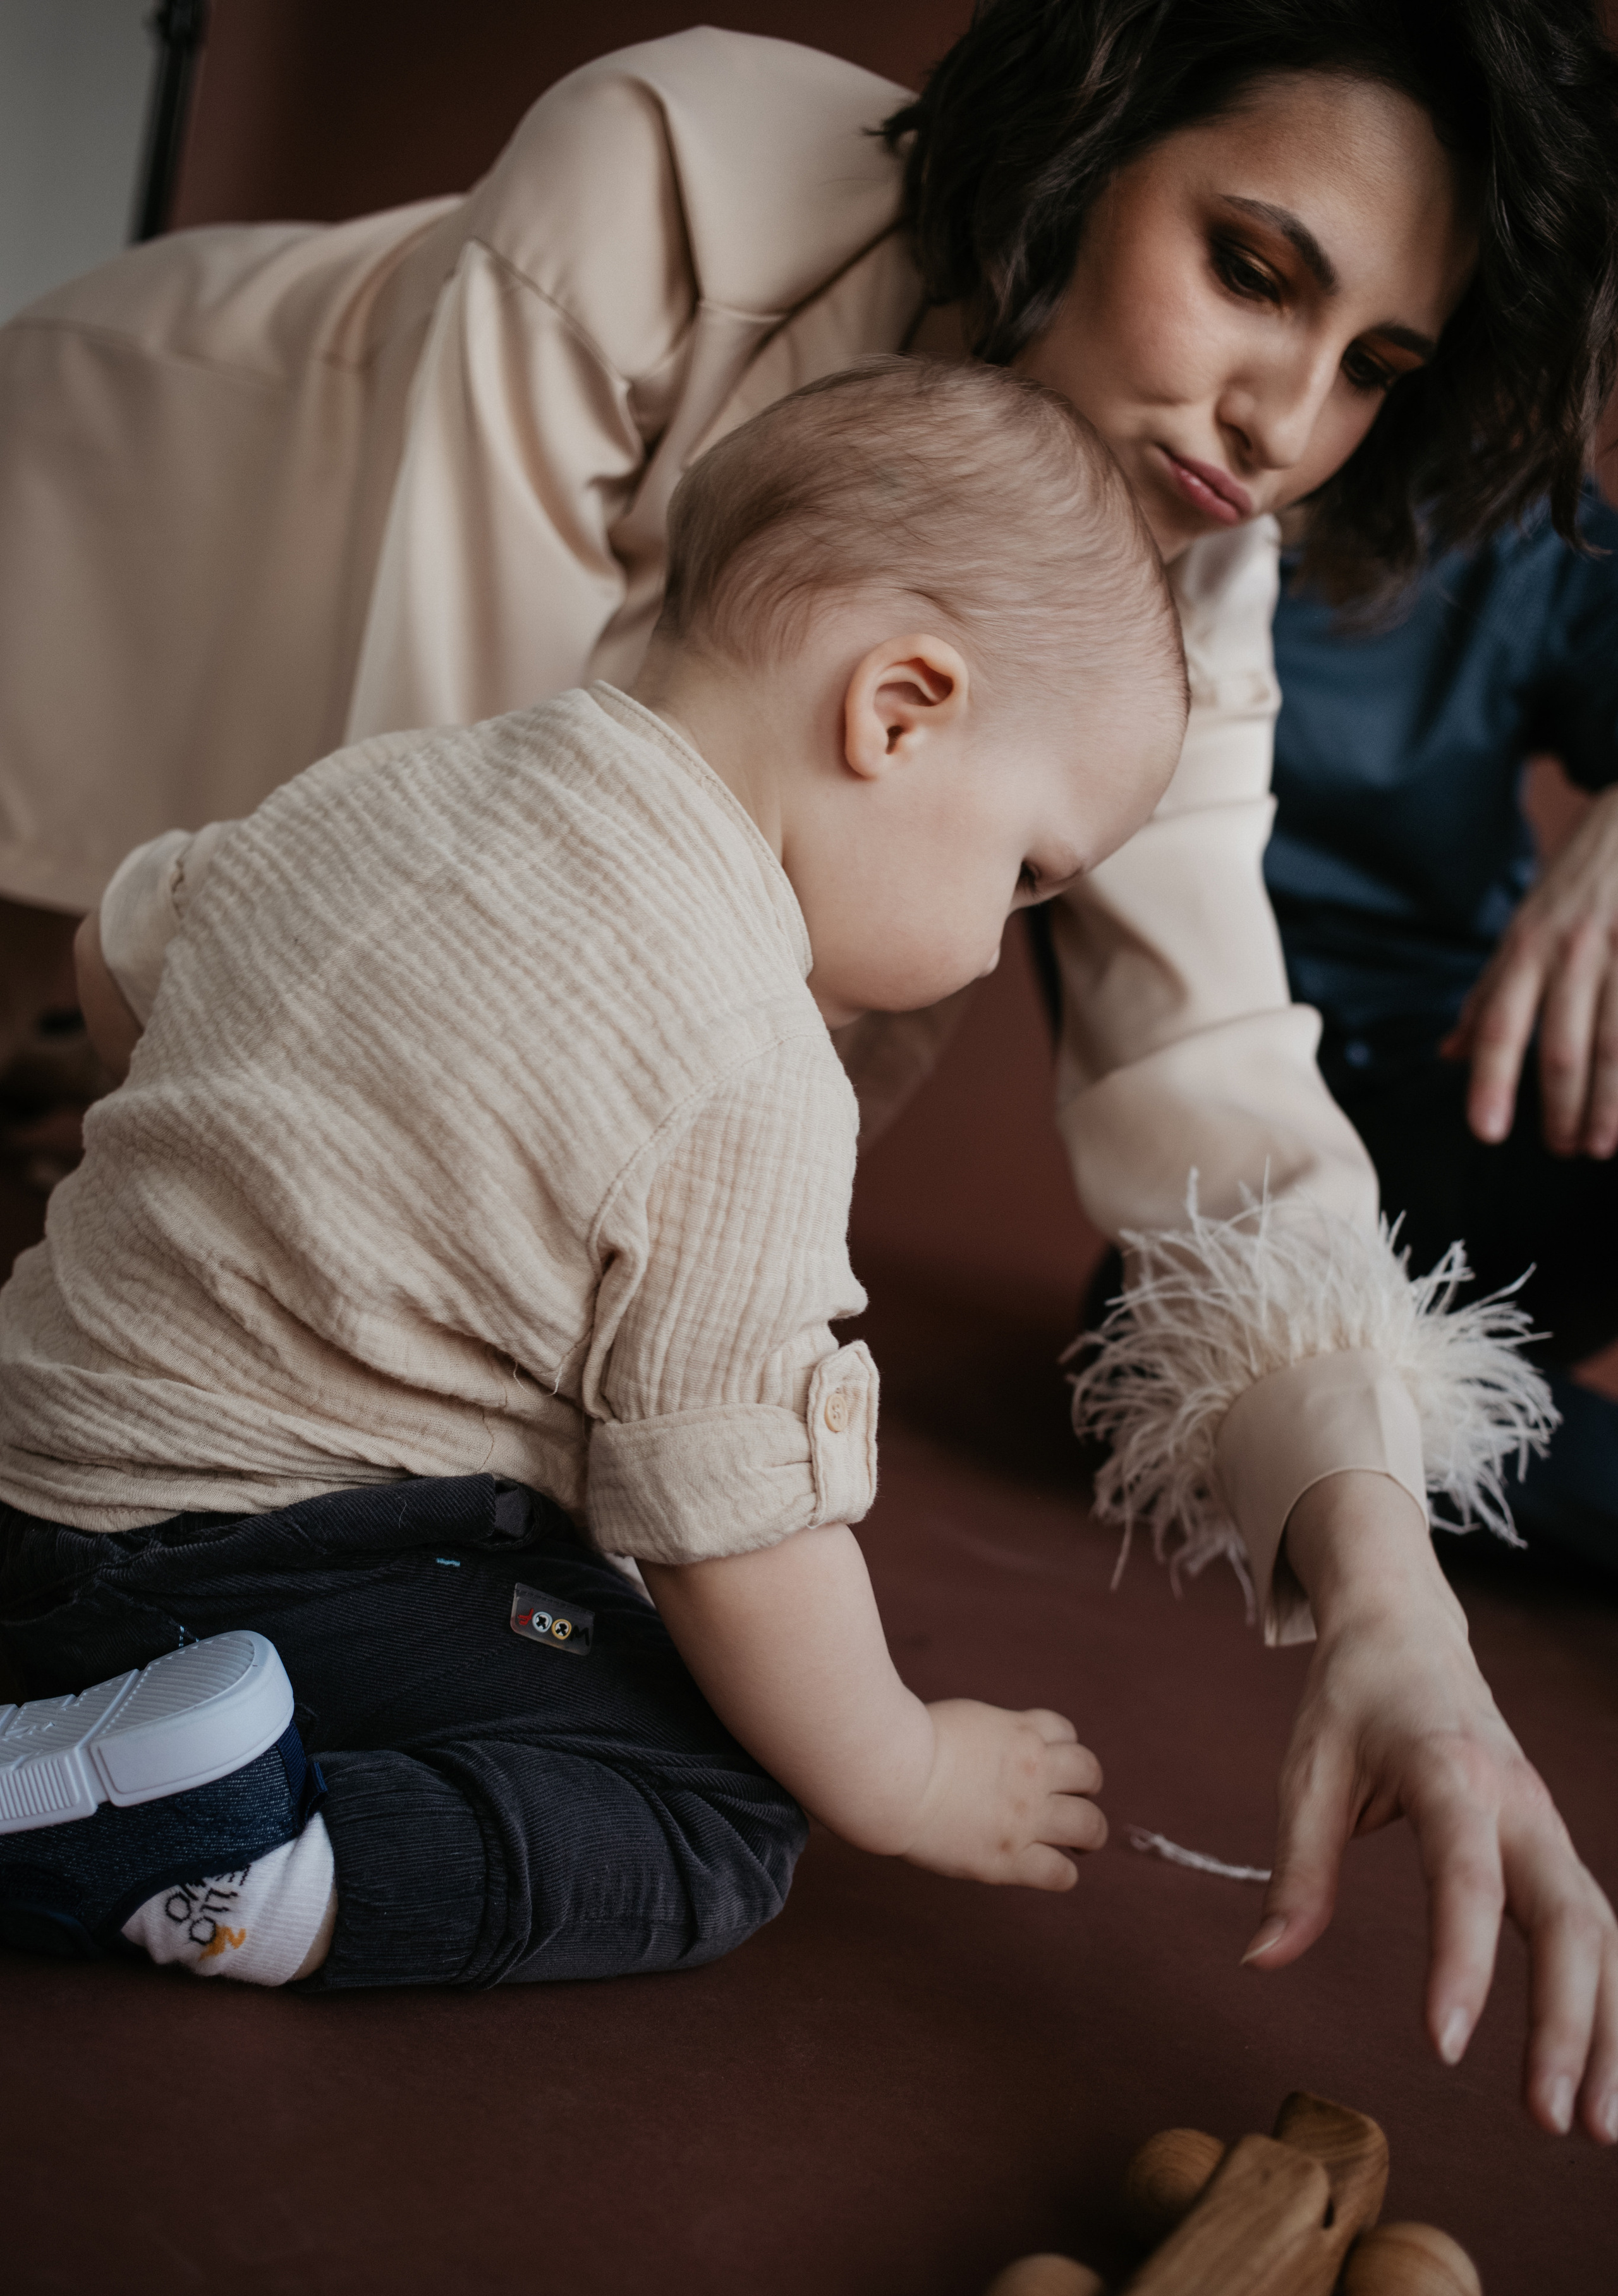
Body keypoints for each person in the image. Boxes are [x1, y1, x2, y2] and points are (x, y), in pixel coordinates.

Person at [1, 0, 1615, 2137]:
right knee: (701, 1764)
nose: (1288, 420)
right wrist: (861, 1738)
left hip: (188, 1108)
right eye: (1254, 265)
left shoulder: (1185, 540)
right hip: (115, 490)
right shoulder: (667, 177)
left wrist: (1394, 1605)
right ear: (1101, 125)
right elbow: (479, 951)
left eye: (1377, 370)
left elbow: (1216, 1074)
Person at [0, 360, 1186, 1993]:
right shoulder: (751, 1059)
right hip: (244, 1584)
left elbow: (116, 955)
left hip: (29, 1473)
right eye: (1030, 872)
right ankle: (221, 1859)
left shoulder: (393, 778)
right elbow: (729, 1542)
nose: (1001, 936)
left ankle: (65, 1716)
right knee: (729, 1799)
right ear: (898, 711)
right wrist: (904, 1772)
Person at [1267, 489, 1618, 1577]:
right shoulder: (1080, 533)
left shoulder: (1504, 522)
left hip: (1504, 1103)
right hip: (1252, 1188)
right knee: (1167, 1352)